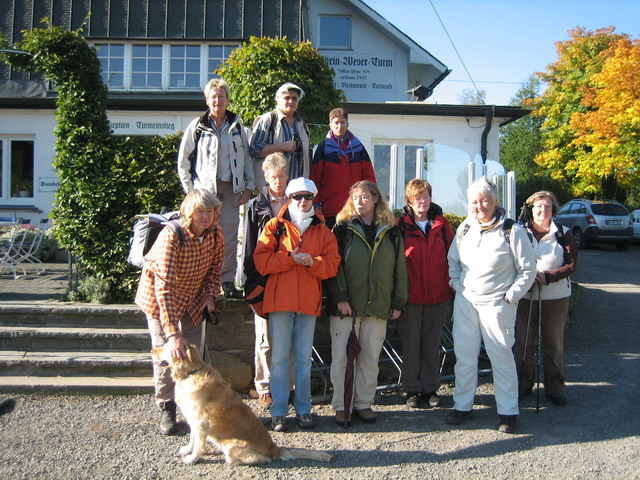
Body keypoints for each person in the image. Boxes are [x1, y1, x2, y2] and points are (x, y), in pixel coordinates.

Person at [446, 176, 536, 434]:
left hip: (497, 303)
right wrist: (456, 285)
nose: (479, 206)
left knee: (501, 357)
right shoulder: (464, 228)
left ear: (496, 201)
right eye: (474, 201)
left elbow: (528, 270)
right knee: (464, 356)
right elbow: (453, 261)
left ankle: (508, 412)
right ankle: (462, 406)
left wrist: (511, 296)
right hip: (466, 301)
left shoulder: (512, 230)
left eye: (484, 200)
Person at [253, 177, 340, 432]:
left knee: (303, 359)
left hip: (308, 303)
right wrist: (291, 259)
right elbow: (262, 261)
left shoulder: (323, 230)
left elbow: (332, 264)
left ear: (314, 199)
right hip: (280, 301)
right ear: (289, 198)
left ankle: (304, 410)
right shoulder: (273, 226)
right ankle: (278, 411)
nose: (302, 201)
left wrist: (313, 264)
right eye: (297, 196)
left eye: (308, 197)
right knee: (279, 359)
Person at [135, 189, 224, 435]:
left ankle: (201, 405)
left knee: (196, 354)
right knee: (168, 354)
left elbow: (216, 268)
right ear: (189, 212)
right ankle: (167, 407)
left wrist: (209, 295)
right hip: (159, 299)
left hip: (193, 296)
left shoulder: (216, 233)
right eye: (199, 212)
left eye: (209, 211)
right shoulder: (171, 236)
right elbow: (163, 288)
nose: (205, 217)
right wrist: (173, 333)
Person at [329, 180, 408, 425]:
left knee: (370, 357)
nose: (359, 202)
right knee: (342, 357)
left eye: (364, 197)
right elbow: (334, 267)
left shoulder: (391, 230)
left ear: (376, 199)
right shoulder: (342, 228)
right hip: (346, 306)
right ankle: (342, 405)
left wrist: (397, 302)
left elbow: (399, 269)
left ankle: (364, 403)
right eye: (355, 197)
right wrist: (341, 298)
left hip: (379, 304)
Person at [177, 78, 254, 300]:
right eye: (213, 96)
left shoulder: (238, 126)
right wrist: (190, 192)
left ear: (228, 100)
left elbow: (247, 158)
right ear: (207, 100)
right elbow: (183, 161)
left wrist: (249, 187)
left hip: (231, 189)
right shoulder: (197, 126)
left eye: (221, 96)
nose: (217, 100)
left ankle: (226, 281)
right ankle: (200, 281)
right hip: (204, 193)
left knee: (228, 238)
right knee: (201, 236)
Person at [513, 191, 577, 407]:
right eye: (539, 206)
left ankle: (555, 388)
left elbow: (571, 265)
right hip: (525, 296)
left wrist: (547, 276)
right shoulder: (519, 231)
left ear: (553, 209)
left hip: (556, 297)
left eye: (547, 206)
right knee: (523, 342)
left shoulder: (563, 233)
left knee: (554, 343)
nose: (543, 210)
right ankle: (523, 386)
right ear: (531, 208)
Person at [396, 179, 454, 409]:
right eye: (418, 198)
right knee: (411, 344)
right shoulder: (400, 226)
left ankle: (430, 389)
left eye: (426, 197)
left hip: (438, 296)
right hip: (410, 297)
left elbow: (454, 256)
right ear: (409, 201)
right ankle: (411, 390)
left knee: (431, 344)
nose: (423, 201)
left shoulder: (442, 225)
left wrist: (450, 284)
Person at [243, 152, 291, 408]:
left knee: (288, 336)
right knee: (264, 338)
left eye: (283, 175)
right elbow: (248, 246)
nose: (279, 180)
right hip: (263, 277)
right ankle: (263, 387)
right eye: (274, 176)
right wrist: (249, 281)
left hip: (290, 276)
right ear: (266, 176)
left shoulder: (297, 201)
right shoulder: (256, 206)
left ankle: (288, 386)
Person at [310, 108, 376, 229]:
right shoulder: (323, 148)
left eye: (343, 122)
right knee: (331, 245)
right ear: (330, 125)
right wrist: (316, 203)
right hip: (329, 210)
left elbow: (368, 177)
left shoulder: (358, 148)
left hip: (354, 209)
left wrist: (371, 200)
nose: (340, 126)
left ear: (348, 124)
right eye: (336, 122)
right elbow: (315, 177)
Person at [249, 82, 311, 187]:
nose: (291, 101)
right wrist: (282, 147)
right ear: (277, 99)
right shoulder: (268, 120)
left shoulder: (302, 124)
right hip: (271, 189)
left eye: (294, 98)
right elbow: (254, 149)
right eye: (287, 98)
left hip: (296, 191)